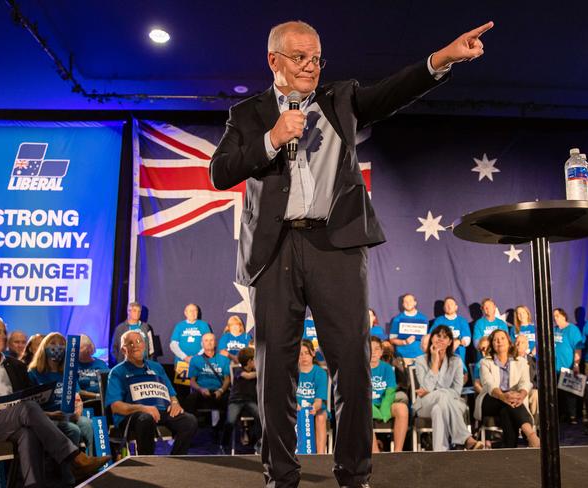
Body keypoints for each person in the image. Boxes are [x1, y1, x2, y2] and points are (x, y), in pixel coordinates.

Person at [209, 18, 493, 487]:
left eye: (317, 58)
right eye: (299, 57)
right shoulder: (247, 114)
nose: (310, 67)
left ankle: (354, 474)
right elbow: (220, 172)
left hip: (334, 246)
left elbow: (393, 92)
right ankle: (280, 475)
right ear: (273, 60)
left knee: (353, 367)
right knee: (276, 373)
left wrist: (443, 57)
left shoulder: (339, 99)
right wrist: (272, 138)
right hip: (273, 252)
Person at [0, 316, 109, 487]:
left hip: (17, 422)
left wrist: (48, 414)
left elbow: (28, 403)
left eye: (4, 332)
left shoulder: (16, 366)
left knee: (29, 434)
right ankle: (74, 458)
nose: (3, 336)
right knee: (26, 408)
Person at [106, 330, 198, 455]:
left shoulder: (157, 367)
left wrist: (175, 403)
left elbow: (171, 394)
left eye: (139, 341)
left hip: (160, 411)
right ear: (123, 350)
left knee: (189, 421)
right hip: (133, 416)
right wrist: (143, 408)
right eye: (130, 343)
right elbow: (116, 407)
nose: (135, 345)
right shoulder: (117, 372)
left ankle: (176, 459)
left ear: (144, 345)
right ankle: (147, 460)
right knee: (146, 418)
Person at [28, 332, 94, 466]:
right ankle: (68, 472)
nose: (57, 348)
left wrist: (77, 412)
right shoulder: (33, 373)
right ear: (44, 347)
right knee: (73, 430)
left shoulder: (67, 373)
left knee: (87, 424)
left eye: (62, 345)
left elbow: (77, 397)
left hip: (67, 414)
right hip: (46, 417)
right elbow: (29, 407)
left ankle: (89, 463)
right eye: (53, 344)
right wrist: (52, 415)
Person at [414, 325, 482, 451]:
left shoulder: (456, 361)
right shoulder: (420, 361)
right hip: (425, 405)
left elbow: (456, 391)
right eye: (438, 336)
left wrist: (432, 391)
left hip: (453, 402)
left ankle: (440, 452)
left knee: (438, 409)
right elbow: (426, 387)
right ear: (432, 338)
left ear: (450, 342)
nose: (440, 339)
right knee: (442, 395)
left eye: (445, 337)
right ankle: (466, 438)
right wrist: (434, 362)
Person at [475, 329, 539, 448]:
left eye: (502, 338)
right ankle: (531, 435)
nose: (499, 341)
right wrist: (503, 396)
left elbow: (526, 382)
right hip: (490, 399)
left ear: (509, 342)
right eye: (495, 339)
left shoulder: (521, 361)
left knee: (506, 409)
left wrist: (522, 395)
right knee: (507, 401)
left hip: (513, 400)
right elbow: (489, 384)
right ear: (492, 344)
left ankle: (510, 447)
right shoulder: (485, 362)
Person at [219, 347, 261, 454]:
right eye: (255, 359)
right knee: (230, 421)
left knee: (260, 417)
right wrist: (261, 373)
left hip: (250, 401)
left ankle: (259, 442)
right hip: (236, 401)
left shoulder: (255, 371)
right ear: (249, 362)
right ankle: (223, 445)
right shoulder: (238, 370)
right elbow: (247, 376)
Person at [370, 336, 408, 452]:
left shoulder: (387, 368)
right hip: (366, 405)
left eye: (377, 349)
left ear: (381, 352)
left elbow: (390, 391)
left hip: (383, 403)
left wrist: (385, 408)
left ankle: (397, 452)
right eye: (370, 349)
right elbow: (359, 394)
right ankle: (375, 453)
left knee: (402, 408)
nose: (373, 352)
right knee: (362, 412)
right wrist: (372, 409)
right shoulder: (360, 368)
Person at [185, 333, 231, 425]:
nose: (209, 343)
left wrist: (221, 391)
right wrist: (201, 389)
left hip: (219, 391)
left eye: (211, 340)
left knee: (231, 401)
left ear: (215, 343)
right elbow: (192, 381)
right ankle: (191, 427)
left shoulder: (224, 359)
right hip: (201, 391)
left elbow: (227, 379)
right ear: (202, 344)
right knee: (190, 400)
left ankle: (224, 431)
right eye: (206, 340)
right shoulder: (195, 359)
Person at [296, 340, 329, 454]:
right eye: (300, 354)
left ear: (313, 353)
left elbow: (319, 401)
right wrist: (296, 405)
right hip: (297, 408)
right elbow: (289, 395)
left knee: (320, 418)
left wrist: (313, 408)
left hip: (316, 408)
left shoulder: (320, 373)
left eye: (306, 353)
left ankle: (320, 455)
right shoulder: (292, 372)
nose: (304, 357)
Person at [553, 307, 583, 423]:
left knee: (569, 393)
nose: (555, 318)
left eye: (558, 316)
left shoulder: (572, 329)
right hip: (555, 367)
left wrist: (576, 364)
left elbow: (578, 348)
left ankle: (573, 416)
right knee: (558, 394)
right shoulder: (554, 329)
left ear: (564, 316)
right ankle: (561, 415)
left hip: (567, 366)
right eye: (554, 316)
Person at [427, 297, 471, 362]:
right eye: (447, 305)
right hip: (441, 356)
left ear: (456, 307)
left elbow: (467, 340)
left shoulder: (462, 321)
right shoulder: (439, 321)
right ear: (444, 308)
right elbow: (431, 337)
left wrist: (459, 342)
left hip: (458, 357)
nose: (449, 306)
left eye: (451, 304)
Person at [389, 293, 429, 363]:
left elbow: (427, 339)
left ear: (415, 303)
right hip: (403, 356)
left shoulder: (423, 318)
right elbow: (392, 339)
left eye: (410, 300)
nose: (408, 303)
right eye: (405, 301)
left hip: (420, 356)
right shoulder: (397, 319)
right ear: (403, 304)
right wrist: (404, 342)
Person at [78, 334, 109, 400]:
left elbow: (109, 384)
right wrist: (98, 396)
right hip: (85, 402)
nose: (88, 352)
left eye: (88, 350)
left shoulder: (101, 364)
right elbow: (77, 391)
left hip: (103, 400)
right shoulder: (73, 367)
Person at [515, 334, 538, 417]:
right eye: (517, 342)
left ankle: (535, 426)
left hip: (530, 388)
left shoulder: (533, 360)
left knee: (536, 394)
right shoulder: (510, 360)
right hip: (515, 389)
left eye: (522, 342)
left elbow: (535, 379)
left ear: (527, 345)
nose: (519, 344)